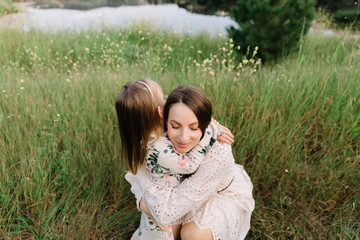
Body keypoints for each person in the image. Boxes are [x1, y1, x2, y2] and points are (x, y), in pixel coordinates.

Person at [115, 79, 233, 240]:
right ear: (160, 112)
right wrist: (209, 132)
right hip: (165, 211)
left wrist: (210, 124)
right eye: (163, 99)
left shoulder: (143, 136)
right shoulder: (160, 149)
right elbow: (190, 164)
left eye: (194, 127)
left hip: (189, 199)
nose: (167, 100)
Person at [139, 85, 255, 240]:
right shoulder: (162, 133)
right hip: (184, 192)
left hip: (221, 195)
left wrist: (148, 205)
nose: (183, 138)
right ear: (165, 121)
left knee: (192, 234)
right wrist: (141, 199)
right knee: (161, 234)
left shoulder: (218, 154)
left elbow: (170, 210)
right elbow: (138, 171)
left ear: (206, 126)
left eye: (194, 128)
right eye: (175, 126)